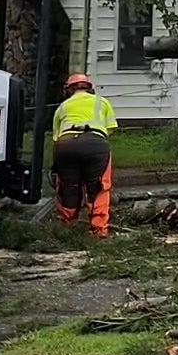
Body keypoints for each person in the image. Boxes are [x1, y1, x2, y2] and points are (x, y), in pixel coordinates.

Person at [52, 72, 117, 238]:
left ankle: (65, 227)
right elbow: (109, 129)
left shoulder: (62, 107)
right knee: (99, 187)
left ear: (69, 90)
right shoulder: (102, 102)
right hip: (95, 143)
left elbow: (56, 137)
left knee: (68, 186)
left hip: (66, 145)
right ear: (89, 88)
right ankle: (98, 230)